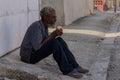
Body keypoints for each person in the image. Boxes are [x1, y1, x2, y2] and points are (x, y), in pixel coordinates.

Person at [20, 6, 89, 79]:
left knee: (59, 40)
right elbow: (37, 47)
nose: (55, 19)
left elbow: (45, 42)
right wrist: (52, 35)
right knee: (54, 42)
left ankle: (75, 66)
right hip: (29, 57)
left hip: (34, 53)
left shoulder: (44, 26)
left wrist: (54, 35)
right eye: (53, 17)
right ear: (46, 17)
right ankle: (67, 70)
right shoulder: (36, 26)